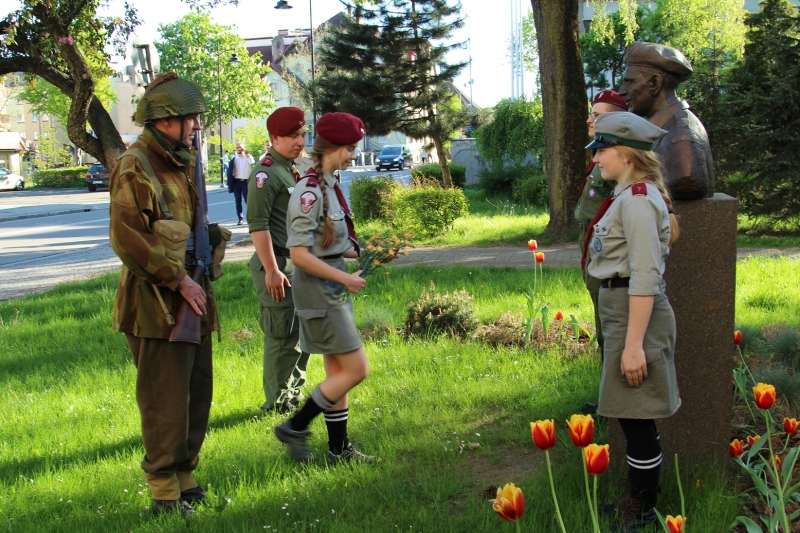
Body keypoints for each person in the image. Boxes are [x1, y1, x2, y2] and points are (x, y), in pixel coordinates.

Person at [109, 72, 218, 517]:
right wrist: (179, 279)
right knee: (165, 402)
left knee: (196, 393)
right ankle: (163, 490)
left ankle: (184, 475)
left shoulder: (181, 162)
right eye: (191, 117)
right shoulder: (135, 165)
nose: (197, 125)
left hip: (191, 296)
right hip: (156, 306)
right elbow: (127, 238)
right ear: (166, 119)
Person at [584, 112, 681, 532]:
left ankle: (642, 511)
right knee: (631, 414)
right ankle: (639, 501)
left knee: (637, 418)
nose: (595, 159)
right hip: (622, 310)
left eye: (601, 150)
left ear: (625, 154)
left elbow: (644, 275)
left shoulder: (638, 200)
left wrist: (634, 345)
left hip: (634, 313)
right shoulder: (627, 196)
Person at [275, 112, 375, 465]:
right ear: (331, 147)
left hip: (330, 284)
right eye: (349, 149)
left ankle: (338, 449)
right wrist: (346, 279)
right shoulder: (309, 191)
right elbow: (299, 255)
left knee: (338, 373)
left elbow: (325, 244)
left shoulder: (329, 184)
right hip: (320, 289)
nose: (353, 155)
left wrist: (365, 251)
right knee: (356, 369)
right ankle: (295, 426)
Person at [247, 106, 310, 414]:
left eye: (302, 134)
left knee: (299, 335)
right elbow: (258, 225)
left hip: (295, 265)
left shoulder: (289, 169)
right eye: (292, 135)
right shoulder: (266, 173)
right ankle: (277, 404)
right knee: (282, 335)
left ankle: (291, 395)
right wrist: (272, 270)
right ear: (274, 138)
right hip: (277, 266)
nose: (300, 141)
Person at [574, 89, 628, 415]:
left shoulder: (618, 156)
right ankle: (610, 398)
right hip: (592, 243)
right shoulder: (601, 153)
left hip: (605, 248)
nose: (589, 119)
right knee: (602, 325)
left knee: (609, 329)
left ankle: (612, 405)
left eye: (597, 115)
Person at [619, 42, 714, 201]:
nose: (621, 91)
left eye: (630, 82)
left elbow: (687, 179)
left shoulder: (681, 136)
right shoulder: (662, 128)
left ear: (654, 84)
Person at [230, 142, 254, 225]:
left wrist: (246, 155)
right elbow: (231, 170)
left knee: (248, 200)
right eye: (237, 147)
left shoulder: (248, 157)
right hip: (237, 181)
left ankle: (251, 217)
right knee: (238, 200)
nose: (238, 149)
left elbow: (252, 162)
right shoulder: (234, 158)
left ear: (243, 148)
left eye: (240, 147)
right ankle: (240, 218)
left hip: (246, 181)